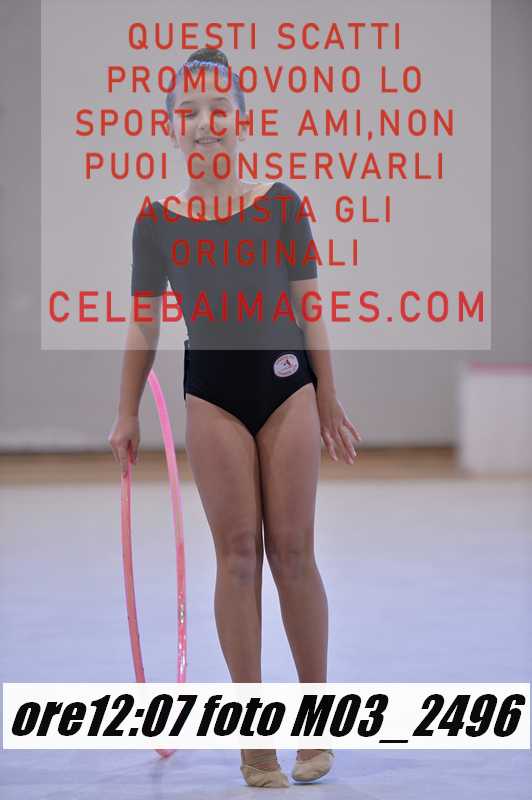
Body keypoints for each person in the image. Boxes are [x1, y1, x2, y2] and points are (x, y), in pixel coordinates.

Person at [108, 47, 362, 788]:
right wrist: (126, 410)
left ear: (241, 120)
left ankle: (317, 723)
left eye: (219, 108)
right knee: (237, 557)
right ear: (171, 127)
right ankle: (255, 738)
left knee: (294, 551)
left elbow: (311, 308)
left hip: (286, 387)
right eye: (188, 112)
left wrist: (328, 395)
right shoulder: (156, 221)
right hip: (213, 393)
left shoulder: (281, 204)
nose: (204, 123)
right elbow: (144, 323)